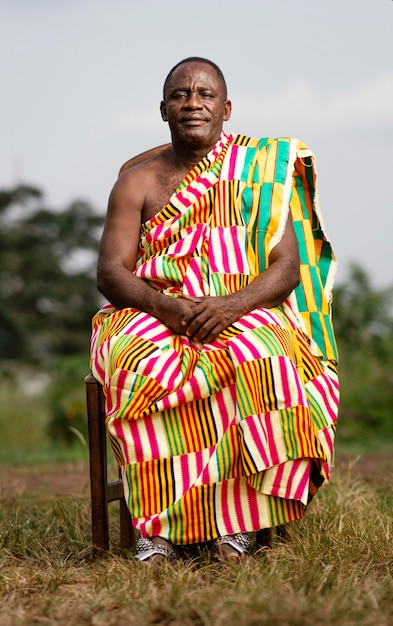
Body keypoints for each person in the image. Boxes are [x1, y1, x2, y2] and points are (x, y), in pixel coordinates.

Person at [90, 57, 339, 563]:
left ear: (226, 109)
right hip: (154, 309)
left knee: (262, 356)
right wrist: (166, 306)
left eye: (205, 95)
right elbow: (112, 273)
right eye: (180, 95)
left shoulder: (260, 174)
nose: (192, 103)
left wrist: (230, 306)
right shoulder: (135, 183)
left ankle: (237, 525)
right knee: (140, 365)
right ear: (163, 110)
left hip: (242, 306)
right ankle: (155, 531)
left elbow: (286, 268)